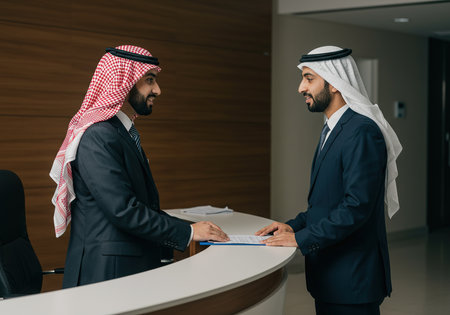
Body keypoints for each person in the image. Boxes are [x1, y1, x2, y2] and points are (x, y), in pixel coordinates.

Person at [50, 45, 229, 288]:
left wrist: (190, 228)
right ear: (125, 82)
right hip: (106, 275)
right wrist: (187, 234)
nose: (157, 90)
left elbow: (142, 206)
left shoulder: (117, 132)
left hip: (125, 267)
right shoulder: (98, 136)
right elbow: (123, 210)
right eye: (149, 80)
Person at [256, 46, 402, 314]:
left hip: (352, 280)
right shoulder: (333, 129)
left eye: (309, 78)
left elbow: (356, 208)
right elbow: (326, 202)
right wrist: (291, 227)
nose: (301, 88)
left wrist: (301, 238)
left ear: (334, 83)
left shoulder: (361, 132)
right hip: (331, 276)